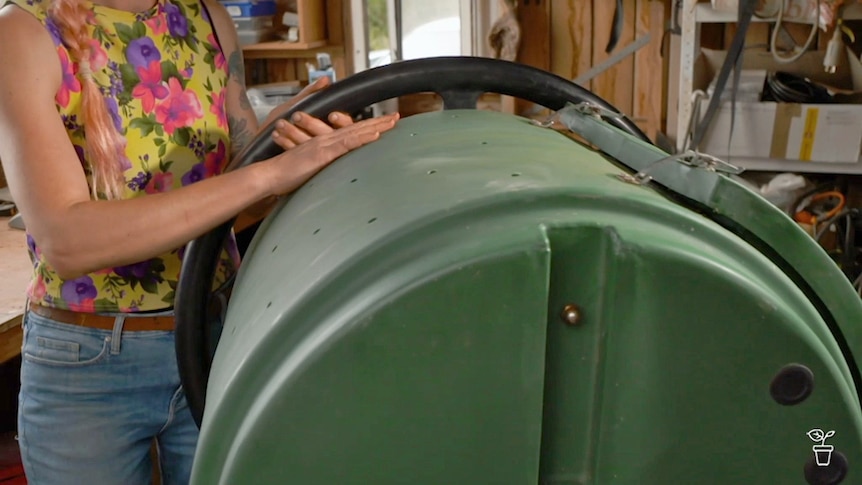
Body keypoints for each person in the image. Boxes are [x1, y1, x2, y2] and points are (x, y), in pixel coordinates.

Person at [0, 0, 399, 481]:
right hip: (88, 359)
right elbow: (68, 240)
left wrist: (289, 138)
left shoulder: (207, 18)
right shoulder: (20, 34)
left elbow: (241, 194)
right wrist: (268, 174)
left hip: (215, 339)